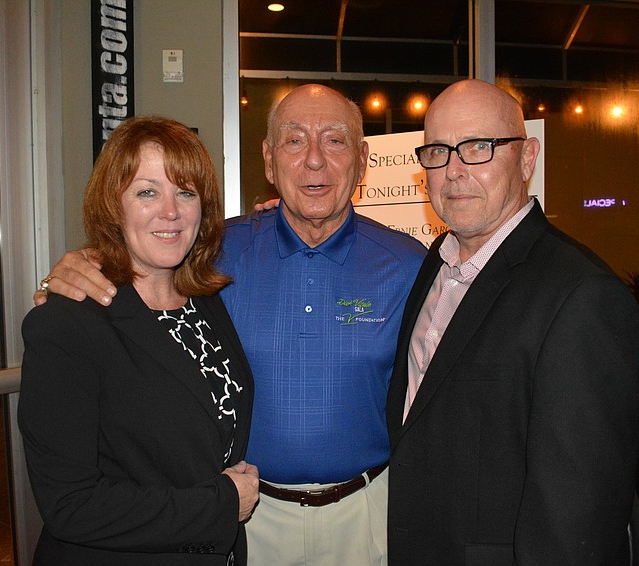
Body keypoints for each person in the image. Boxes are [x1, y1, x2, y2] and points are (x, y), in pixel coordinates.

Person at [33, 85, 427, 565]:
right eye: (295, 140)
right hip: (248, 521)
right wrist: (77, 266)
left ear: (363, 159)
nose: (316, 161)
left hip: (363, 515)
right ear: (268, 159)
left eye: (336, 140)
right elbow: (144, 256)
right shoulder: (220, 255)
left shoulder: (409, 266)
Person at [385, 79, 639, 565]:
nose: (454, 170)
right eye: (438, 151)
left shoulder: (583, 297)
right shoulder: (433, 266)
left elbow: (577, 516)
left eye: (479, 147)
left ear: (527, 158)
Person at [19, 115, 259, 565]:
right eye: (147, 191)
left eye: (185, 192)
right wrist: (222, 504)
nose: (170, 211)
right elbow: (70, 505)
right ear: (114, 205)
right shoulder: (66, 325)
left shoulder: (206, 300)